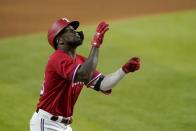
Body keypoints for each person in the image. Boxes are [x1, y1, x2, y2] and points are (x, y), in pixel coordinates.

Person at [30, 18, 140, 131]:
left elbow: (103, 84)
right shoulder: (57, 58)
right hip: (46, 124)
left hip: (64, 126)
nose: (75, 32)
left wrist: (123, 70)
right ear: (60, 40)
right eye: (69, 30)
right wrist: (95, 45)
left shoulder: (81, 61)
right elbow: (84, 75)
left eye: (74, 29)